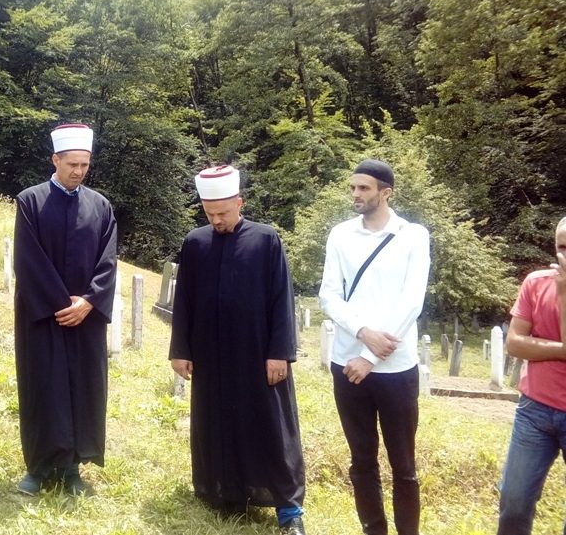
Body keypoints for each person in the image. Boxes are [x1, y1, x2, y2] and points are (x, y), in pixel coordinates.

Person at [168, 165, 306, 535]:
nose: (216, 220)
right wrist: (180, 349)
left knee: (272, 428)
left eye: (223, 213)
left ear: (239, 203)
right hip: (211, 354)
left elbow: (281, 299)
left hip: (258, 354)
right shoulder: (195, 243)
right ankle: (225, 493)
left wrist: (280, 352)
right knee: (217, 424)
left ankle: (289, 509)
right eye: (209, 214)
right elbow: (184, 301)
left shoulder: (266, 239)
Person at [318, 159, 430, 535]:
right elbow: (329, 295)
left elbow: (412, 302)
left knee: (404, 465)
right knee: (362, 461)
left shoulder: (412, 236)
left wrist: (369, 356)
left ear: (386, 193)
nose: (355, 194)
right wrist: (363, 332)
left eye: (363, 188)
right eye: (353, 187)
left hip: (396, 369)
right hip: (347, 364)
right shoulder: (340, 235)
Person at [13, 123, 117, 497]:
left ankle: (72, 467)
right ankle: (38, 467)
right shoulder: (30, 201)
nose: (78, 172)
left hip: (86, 319)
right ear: (55, 159)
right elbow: (28, 261)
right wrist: (62, 305)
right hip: (42, 316)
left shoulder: (100, 206)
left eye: (85, 165)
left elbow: (108, 261)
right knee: (42, 387)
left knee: (82, 390)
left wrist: (88, 302)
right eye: (72, 164)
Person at [496, 216, 566, 535]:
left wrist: (564, 294)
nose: (565, 255)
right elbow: (514, 343)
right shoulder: (535, 282)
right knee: (514, 501)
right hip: (534, 410)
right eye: (562, 247)